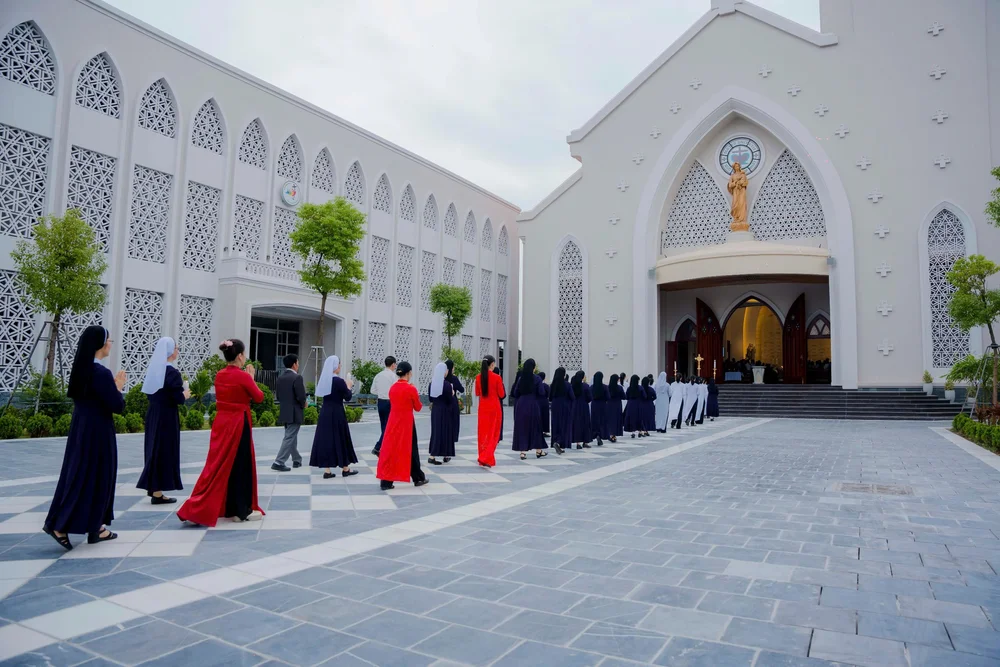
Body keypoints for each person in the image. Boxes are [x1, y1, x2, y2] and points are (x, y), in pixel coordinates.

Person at [43, 326, 126, 550]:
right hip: (98, 432)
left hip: (82, 429)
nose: (110, 344)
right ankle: (60, 525)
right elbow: (116, 405)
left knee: (82, 474)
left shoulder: (82, 368)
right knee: (96, 476)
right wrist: (118, 388)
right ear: (101, 344)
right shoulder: (100, 373)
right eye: (109, 340)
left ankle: (96, 526)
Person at [178, 339, 265, 526]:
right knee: (240, 464)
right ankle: (241, 510)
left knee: (217, 464)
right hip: (238, 422)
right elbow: (259, 397)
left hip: (221, 422)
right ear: (240, 356)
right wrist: (251, 378)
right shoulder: (242, 376)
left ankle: (225, 506)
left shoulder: (219, 375)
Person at [137, 336, 188, 504]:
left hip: (153, 414)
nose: (177, 351)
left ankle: (155, 489)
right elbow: (177, 398)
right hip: (167, 417)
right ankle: (156, 490)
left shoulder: (155, 370)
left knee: (154, 448)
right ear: (170, 351)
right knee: (164, 450)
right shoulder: (172, 373)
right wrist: (185, 395)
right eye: (176, 348)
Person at [376, 361, 428, 490]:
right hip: (406, 423)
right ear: (409, 373)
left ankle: (386, 480)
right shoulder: (411, 388)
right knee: (411, 450)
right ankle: (418, 477)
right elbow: (418, 407)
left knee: (391, 450)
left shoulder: (393, 388)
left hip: (393, 422)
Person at [309, 355, 359, 479]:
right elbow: (347, 397)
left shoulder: (325, 380)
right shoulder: (339, 381)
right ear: (335, 366)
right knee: (341, 437)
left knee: (326, 439)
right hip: (337, 412)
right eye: (339, 364)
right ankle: (345, 468)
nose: (340, 366)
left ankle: (327, 470)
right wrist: (349, 386)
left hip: (325, 412)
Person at [272, 353, 306, 471]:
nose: (298, 365)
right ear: (294, 364)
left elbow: (278, 396)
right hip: (295, 412)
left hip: (284, 411)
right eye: (298, 363)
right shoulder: (297, 377)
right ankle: (279, 461)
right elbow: (301, 396)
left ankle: (296, 459)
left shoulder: (280, 378)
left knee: (291, 436)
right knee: (289, 437)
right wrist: (304, 403)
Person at [511, 358, 547, 460]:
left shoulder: (521, 379)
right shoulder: (537, 379)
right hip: (532, 404)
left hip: (521, 404)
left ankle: (523, 452)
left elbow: (515, 392)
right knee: (536, 427)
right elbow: (541, 392)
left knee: (522, 427)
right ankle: (538, 450)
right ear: (533, 368)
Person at [475, 355, 506, 467]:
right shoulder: (497, 378)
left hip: (483, 408)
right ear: (492, 364)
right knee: (494, 433)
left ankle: (483, 456)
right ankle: (486, 457)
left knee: (483, 433)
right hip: (494, 408)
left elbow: (478, 393)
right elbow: (501, 394)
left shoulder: (478, 377)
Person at [427, 361, 455, 465]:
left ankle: (434, 454)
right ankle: (443, 454)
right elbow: (449, 400)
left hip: (435, 410)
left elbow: (430, 398)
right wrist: (452, 394)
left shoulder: (432, 384)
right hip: (445, 410)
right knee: (445, 431)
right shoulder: (447, 385)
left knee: (436, 432)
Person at [370, 356, 397, 456]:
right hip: (390, 402)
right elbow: (395, 390)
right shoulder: (393, 376)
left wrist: (381, 392)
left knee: (383, 426)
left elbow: (372, 390)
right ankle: (377, 447)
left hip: (380, 402)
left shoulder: (378, 375)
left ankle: (385, 448)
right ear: (393, 364)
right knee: (389, 427)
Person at [548, 367, 574, 454]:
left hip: (555, 405)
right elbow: (572, 396)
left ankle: (556, 441)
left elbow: (550, 397)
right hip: (565, 405)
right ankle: (560, 443)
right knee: (564, 425)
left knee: (556, 424)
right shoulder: (567, 384)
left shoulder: (553, 385)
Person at [570, 370, 593, 449]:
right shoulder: (585, 386)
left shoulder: (573, 385)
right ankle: (585, 442)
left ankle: (578, 443)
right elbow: (589, 397)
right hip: (584, 406)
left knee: (577, 423)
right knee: (585, 424)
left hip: (575, 406)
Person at [445, 359, 464, 446]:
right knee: (454, 421)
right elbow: (461, 389)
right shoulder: (454, 378)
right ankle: (453, 438)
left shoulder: (442, 378)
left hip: (444, 402)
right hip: (453, 402)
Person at [590, 371, 609, 446]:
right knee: (602, 420)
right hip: (602, 405)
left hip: (594, 405)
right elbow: (608, 397)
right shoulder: (605, 387)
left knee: (594, 420)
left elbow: (589, 396)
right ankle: (601, 434)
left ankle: (595, 433)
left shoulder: (591, 387)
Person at [606, 373, 624, 443]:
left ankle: (610, 434)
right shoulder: (619, 388)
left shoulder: (607, 387)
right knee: (616, 419)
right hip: (617, 405)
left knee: (610, 419)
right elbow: (624, 396)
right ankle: (614, 435)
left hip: (609, 405)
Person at [537, 371, 550, 436]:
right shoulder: (546, 386)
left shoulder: (536, 385)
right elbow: (548, 394)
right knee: (545, 416)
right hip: (544, 402)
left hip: (537, 401)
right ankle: (544, 431)